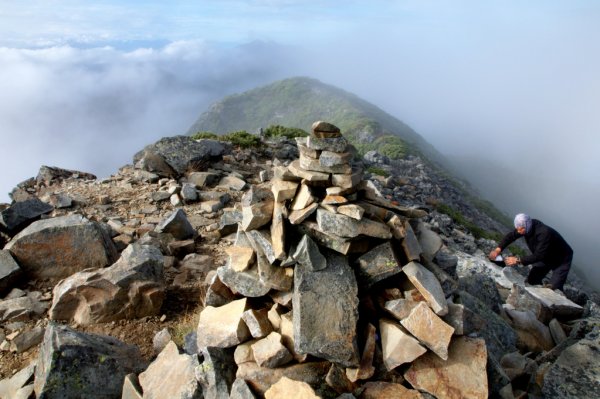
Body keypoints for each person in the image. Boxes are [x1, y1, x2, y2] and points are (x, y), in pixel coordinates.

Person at [489, 213, 573, 291]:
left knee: (554, 288)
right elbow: (511, 236)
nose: (519, 232)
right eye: (517, 229)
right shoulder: (525, 227)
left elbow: (539, 255)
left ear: (527, 225)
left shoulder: (544, 233)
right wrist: (498, 250)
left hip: (561, 258)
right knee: (532, 280)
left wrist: (518, 260)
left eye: (521, 229)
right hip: (545, 255)